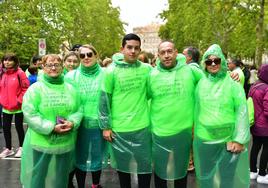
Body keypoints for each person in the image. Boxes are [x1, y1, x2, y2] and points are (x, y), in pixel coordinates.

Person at [20, 54, 83, 188]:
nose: (53, 68)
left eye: (57, 65)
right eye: (49, 65)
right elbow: (30, 113)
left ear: (62, 67)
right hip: (41, 142)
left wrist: (72, 122)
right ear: (43, 67)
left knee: (61, 175)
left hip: (65, 142)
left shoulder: (71, 89)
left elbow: (78, 109)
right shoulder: (35, 89)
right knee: (39, 173)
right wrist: (51, 127)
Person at [194, 44, 250, 188]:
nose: (213, 64)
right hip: (204, 139)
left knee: (226, 178)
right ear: (204, 64)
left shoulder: (233, 83)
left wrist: (240, 139)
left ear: (222, 62)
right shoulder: (200, 83)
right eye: (209, 61)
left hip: (228, 140)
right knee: (206, 177)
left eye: (216, 60)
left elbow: (242, 111)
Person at [100, 33, 152, 188]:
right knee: (124, 170)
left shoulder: (147, 70)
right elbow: (104, 100)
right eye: (129, 47)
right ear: (122, 49)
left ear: (140, 50)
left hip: (142, 126)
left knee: (145, 167)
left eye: (136, 48)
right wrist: (106, 126)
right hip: (119, 128)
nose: (133, 51)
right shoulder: (111, 71)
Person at [148, 41, 202, 188]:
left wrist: (230, 76)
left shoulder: (190, 71)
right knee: (160, 172)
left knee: (181, 172)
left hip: (183, 131)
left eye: (169, 51)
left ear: (176, 52)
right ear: (158, 55)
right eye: (163, 52)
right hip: (159, 132)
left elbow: (209, 81)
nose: (166, 55)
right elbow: (141, 98)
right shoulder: (152, 75)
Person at [65, 44, 108, 188]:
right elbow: (66, 100)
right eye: (82, 55)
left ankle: (95, 184)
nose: (86, 58)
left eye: (89, 54)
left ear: (96, 55)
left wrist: (108, 123)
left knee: (97, 156)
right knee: (79, 156)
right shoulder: (71, 76)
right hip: (78, 123)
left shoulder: (106, 74)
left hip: (99, 124)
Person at [0, 53, 29, 158]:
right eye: (5, 60)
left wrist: (19, 100)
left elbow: (25, 88)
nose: (7, 62)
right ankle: (8, 149)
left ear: (15, 62)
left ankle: (22, 147)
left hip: (18, 107)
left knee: (19, 127)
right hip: (6, 107)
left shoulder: (20, 73)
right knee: (6, 128)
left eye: (9, 60)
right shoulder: (2, 73)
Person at [249, 64, 268, 184]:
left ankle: (253, 172)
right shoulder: (267, 88)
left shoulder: (254, 86)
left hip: (254, 124)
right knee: (266, 149)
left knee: (255, 147)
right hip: (265, 126)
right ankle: (262, 173)